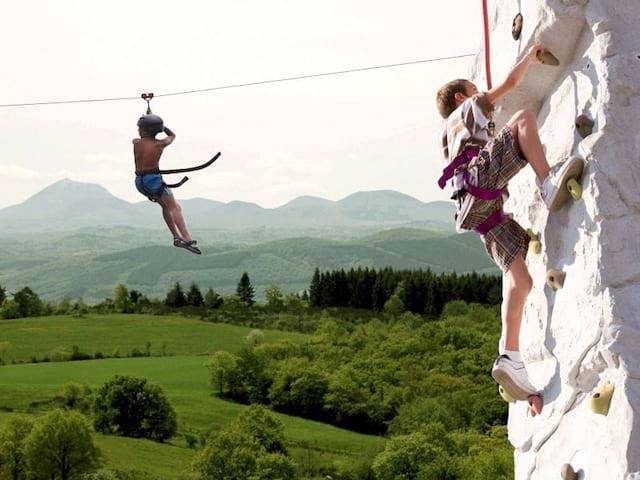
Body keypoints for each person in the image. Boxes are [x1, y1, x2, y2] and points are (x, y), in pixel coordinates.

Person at [435, 44, 583, 404]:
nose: (481, 98)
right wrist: (531, 55)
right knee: (522, 120)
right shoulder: (466, 111)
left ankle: (510, 355)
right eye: (473, 90)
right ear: (461, 97)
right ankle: (549, 183)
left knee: (520, 279)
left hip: (478, 210)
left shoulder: (448, 136)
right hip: (481, 183)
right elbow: (510, 83)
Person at [133, 114, 201, 255]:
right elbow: (172, 135)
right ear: (156, 130)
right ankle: (186, 237)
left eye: (139, 128)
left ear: (143, 130)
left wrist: (154, 125)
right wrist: (162, 127)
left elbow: (139, 137)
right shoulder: (160, 144)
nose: (138, 130)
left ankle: (176, 237)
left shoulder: (136, 142)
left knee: (165, 206)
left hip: (140, 182)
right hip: (153, 180)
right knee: (175, 207)